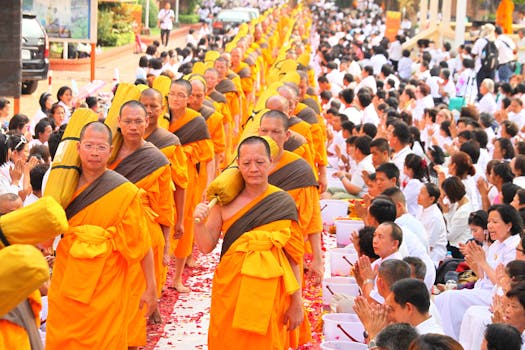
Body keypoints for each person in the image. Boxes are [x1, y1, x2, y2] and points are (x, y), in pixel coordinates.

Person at [46, 121, 156, 349]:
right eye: (88, 146)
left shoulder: (124, 191)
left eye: (101, 147)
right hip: (67, 279)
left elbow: (142, 242)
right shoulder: (63, 185)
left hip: (106, 284)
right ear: (78, 149)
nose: (94, 153)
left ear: (110, 151)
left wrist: (151, 287)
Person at [193, 136, 304, 349]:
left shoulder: (282, 202)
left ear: (270, 163)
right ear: (238, 165)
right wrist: (197, 223)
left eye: (260, 162)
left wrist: (297, 302)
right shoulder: (224, 202)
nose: (253, 169)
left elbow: (293, 258)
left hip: (270, 292)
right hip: (232, 289)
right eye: (246, 163)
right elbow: (206, 246)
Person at [107, 101, 174, 346]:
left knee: (135, 293)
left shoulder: (156, 159)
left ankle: (131, 342)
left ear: (147, 122)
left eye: (138, 121)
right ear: (119, 122)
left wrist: (167, 245)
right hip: (108, 230)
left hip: (142, 232)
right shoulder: (108, 152)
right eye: (128, 121)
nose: (133, 126)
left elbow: (165, 206)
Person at [436, 204, 522, 340]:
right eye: (489, 222)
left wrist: (482, 263)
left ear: (509, 225)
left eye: (495, 222)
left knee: (450, 298)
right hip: (484, 289)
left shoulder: (513, 247)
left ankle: (447, 340)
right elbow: (484, 277)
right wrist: (476, 265)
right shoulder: (496, 245)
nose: (490, 226)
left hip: (496, 295)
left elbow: (501, 283)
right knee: (442, 298)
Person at [167, 79, 214, 292]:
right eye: (172, 94)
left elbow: (208, 157)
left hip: (189, 182)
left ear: (188, 98)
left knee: (184, 226)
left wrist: (209, 185)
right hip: (163, 180)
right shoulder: (162, 119)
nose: (175, 99)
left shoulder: (196, 122)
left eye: (180, 95)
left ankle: (177, 278)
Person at [140, 88, 188, 284]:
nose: (149, 110)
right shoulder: (122, 141)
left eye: (154, 106)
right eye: (145, 106)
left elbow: (181, 183)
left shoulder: (169, 142)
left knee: (156, 266)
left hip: (159, 213)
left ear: (162, 108)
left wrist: (181, 220)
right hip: (129, 214)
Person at [417, 183, 447, 266]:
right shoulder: (421, 208)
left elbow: (429, 244)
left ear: (431, 199)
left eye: (422, 193)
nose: (418, 195)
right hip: (421, 247)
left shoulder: (435, 216)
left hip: (434, 256)